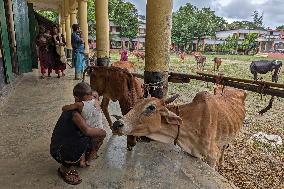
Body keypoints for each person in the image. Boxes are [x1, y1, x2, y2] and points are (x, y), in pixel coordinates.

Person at [50, 82, 106, 185]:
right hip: (59, 150)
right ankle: (65, 167)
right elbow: (87, 131)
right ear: (79, 99)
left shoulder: (86, 105)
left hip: (68, 141)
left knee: (89, 137)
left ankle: (82, 158)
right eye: (89, 99)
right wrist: (103, 132)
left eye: (92, 99)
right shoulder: (75, 113)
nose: (91, 101)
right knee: (91, 135)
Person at [62, 89, 103, 162]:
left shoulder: (82, 105)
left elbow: (64, 108)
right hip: (95, 131)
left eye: (94, 97)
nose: (92, 98)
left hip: (91, 132)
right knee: (90, 141)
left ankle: (89, 155)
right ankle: (89, 155)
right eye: (91, 97)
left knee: (88, 141)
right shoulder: (91, 104)